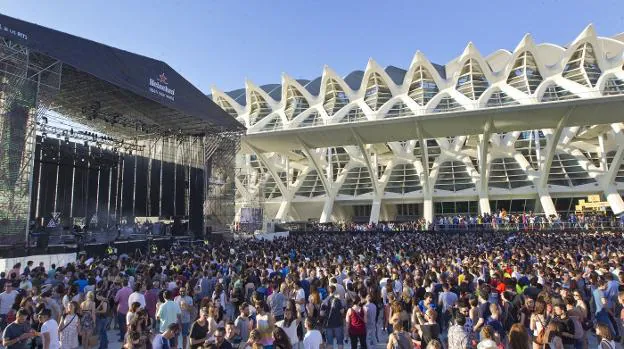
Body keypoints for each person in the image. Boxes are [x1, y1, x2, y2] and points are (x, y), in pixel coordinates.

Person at [321, 285, 344, 349]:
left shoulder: (324, 301)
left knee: (329, 343)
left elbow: (321, 314)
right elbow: (342, 311)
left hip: (328, 324)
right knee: (340, 342)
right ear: (335, 291)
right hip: (338, 323)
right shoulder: (338, 300)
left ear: (328, 291)